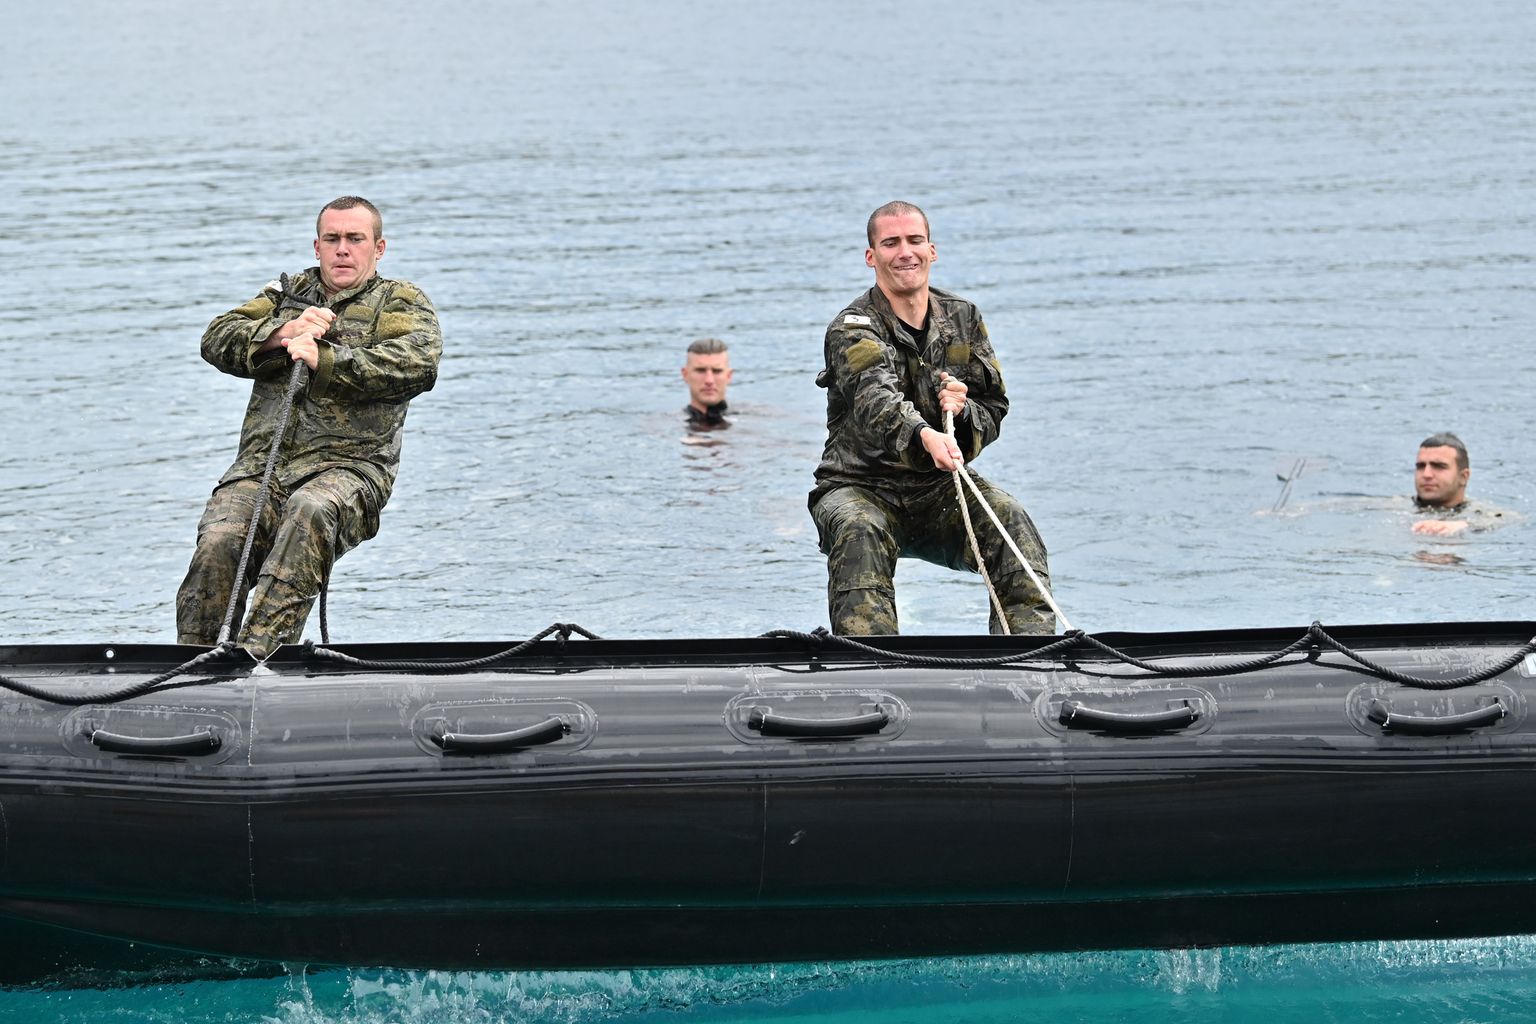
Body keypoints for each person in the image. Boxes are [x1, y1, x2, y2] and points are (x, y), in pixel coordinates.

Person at [175, 196, 442, 656]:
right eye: (332, 239)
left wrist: (327, 359)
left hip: (350, 470)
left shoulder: (400, 301)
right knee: (220, 539)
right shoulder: (286, 295)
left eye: (355, 239)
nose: (343, 249)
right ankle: (193, 664)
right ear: (317, 247)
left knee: (309, 510)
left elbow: (417, 365)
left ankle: (261, 657)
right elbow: (216, 338)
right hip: (263, 469)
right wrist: (282, 333)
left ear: (378, 249)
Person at [808, 201, 1054, 635]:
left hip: (939, 491)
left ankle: (1029, 656)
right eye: (891, 243)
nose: (905, 252)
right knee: (860, 529)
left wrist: (962, 412)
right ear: (871, 257)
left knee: (1011, 522)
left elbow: (993, 406)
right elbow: (876, 403)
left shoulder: (963, 317)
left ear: (932, 250)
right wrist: (924, 434)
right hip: (860, 487)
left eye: (914, 241)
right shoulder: (852, 328)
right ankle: (871, 662)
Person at [1411, 432, 1510, 536]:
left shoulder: (1484, 515)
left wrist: (1465, 525)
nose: (1426, 474)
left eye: (1439, 466)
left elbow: (1506, 520)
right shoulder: (1399, 506)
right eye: (1421, 466)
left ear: (1463, 477)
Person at [682, 337, 732, 429]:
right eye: (700, 371)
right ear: (685, 375)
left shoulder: (753, 417)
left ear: (729, 376)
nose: (709, 381)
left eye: (717, 371)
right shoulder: (666, 424)